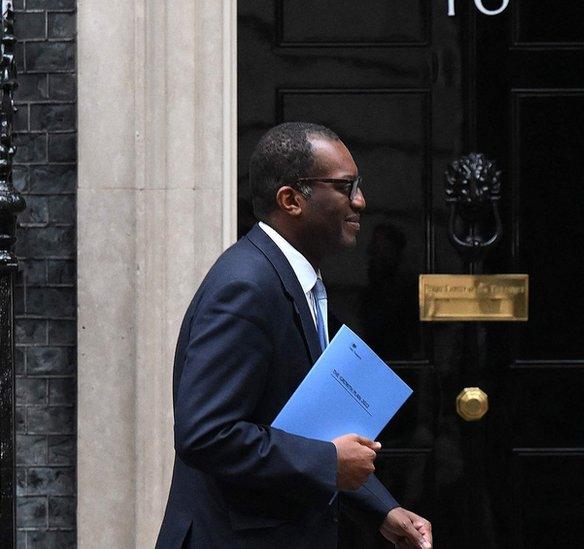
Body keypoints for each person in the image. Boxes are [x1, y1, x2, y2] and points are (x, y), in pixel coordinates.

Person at [155, 122, 433, 548]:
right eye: (345, 186)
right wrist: (327, 462)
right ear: (291, 200)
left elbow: (310, 424)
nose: (360, 200)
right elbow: (205, 433)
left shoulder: (298, 281)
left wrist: (383, 510)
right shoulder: (246, 286)